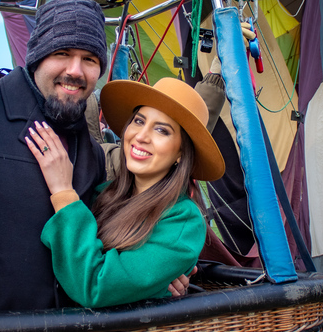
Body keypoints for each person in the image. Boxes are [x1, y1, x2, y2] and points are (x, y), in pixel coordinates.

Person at [0, 0, 227, 313]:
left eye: (89, 58)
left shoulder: (88, 153)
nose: (75, 70)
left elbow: (108, 252)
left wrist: (154, 279)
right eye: (62, 53)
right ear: (37, 57)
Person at [26, 78, 225, 307]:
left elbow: (95, 286)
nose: (141, 136)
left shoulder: (183, 220)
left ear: (181, 152)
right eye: (139, 121)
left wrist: (62, 192)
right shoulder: (103, 193)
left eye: (162, 130)